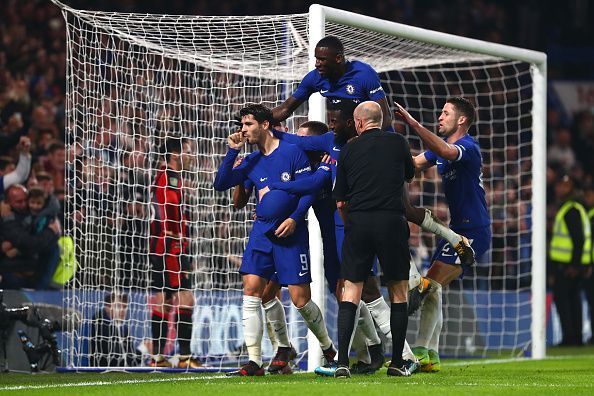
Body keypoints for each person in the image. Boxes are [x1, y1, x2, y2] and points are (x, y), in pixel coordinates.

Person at [213, 104, 336, 377]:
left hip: (291, 231)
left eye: (248, 124)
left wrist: (295, 218)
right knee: (251, 289)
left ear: (265, 125)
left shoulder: (293, 152)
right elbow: (220, 183)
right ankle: (254, 362)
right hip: (261, 231)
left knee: (300, 299)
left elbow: (308, 191)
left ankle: (328, 349)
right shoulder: (251, 161)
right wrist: (232, 150)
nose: (243, 129)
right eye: (242, 125)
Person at [394, 97, 492, 372]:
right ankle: (430, 355)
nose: (440, 117)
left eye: (446, 113)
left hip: (472, 232)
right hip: (455, 230)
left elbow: (447, 153)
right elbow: (413, 163)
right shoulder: (441, 149)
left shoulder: (467, 147)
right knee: (433, 288)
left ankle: (421, 350)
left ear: (461, 120)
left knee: (428, 285)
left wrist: (412, 123)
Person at [333, 101, 414, 378]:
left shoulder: (348, 149)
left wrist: (352, 226)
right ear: (381, 120)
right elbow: (408, 175)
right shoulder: (399, 142)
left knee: (351, 292)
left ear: (357, 123)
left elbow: (340, 200)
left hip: (359, 222)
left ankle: (342, 362)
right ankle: (397, 363)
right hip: (391, 221)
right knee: (398, 292)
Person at [148, 137, 201, 369]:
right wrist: (174, 237)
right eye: (187, 152)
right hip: (170, 247)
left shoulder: (169, 177)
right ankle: (183, 357)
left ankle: (159, 357)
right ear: (174, 154)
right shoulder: (168, 177)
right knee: (184, 299)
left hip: (164, 247)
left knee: (166, 298)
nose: (191, 156)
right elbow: (167, 208)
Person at [271, 35, 392, 131]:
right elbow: (286, 108)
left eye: (322, 59)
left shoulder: (363, 74)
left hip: (378, 136)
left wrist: (364, 141)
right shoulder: (314, 78)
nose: (317, 64)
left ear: (338, 58)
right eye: (316, 59)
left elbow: (384, 117)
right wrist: (259, 119)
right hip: (349, 135)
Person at [549, 176, 591, 346]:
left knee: (564, 300)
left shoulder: (570, 210)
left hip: (567, 265)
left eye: (565, 185)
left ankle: (569, 337)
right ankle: (576, 337)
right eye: (559, 184)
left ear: (572, 189)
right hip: (573, 264)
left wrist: (575, 265)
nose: (560, 189)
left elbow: (578, 240)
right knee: (573, 300)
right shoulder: (576, 208)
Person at [90, 292, 141, 367]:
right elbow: (115, 359)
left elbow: (130, 355)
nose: (122, 310)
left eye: (124, 307)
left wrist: (140, 353)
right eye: (118, 306)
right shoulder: (101, 323)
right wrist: (142, 350)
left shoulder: (124, 328)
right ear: (107, 308)